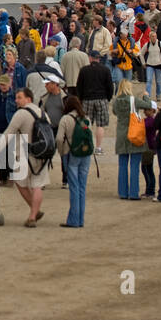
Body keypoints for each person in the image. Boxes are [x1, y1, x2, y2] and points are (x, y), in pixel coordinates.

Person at [2, 87, 49, 227]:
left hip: (25, 155)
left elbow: (8, 134)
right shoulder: (42, 112)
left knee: (19, 181)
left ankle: (33, 215)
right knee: (37, 185)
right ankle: (34, 213)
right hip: (42, 154)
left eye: (19, 97)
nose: (16, 100)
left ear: (28, 98)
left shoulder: (21, 114)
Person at [55, 95, 93, 228]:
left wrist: (61, 151)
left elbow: (59, 138)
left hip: (71, 153)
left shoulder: (65, 119)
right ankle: (80, 219)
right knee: (82, 187)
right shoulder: (86, 118)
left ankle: (73, 220)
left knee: (74, 187)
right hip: (85, 154)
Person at [111, 80, 153, 200]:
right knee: (134, 165)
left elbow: (115, 112)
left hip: (121, 134)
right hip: (134, 133)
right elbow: (148, 105)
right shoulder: (133, 100)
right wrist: (146, 96)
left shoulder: (116, 102)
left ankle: (123, 192)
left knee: (122, 165)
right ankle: (133, 193)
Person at [75, 51, 114, 154]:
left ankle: (87, 145)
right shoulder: (105, 70)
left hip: (87, 99)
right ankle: (98, 148)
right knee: (100, 125)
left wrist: (81, 99)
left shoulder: (84, 70)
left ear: (90, 58)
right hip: (102, 98)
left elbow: (79, 86)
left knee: (86, 124)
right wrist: (108, 98)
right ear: (98, 58)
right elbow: (110, 86)